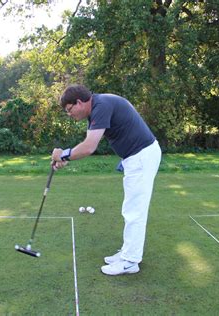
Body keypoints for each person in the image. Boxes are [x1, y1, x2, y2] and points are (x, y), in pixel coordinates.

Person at [51, 84, 161, 276]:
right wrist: (65, 158)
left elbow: (89, 147)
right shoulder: (97, 108)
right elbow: (86, 144)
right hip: (136, 157)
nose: (69, 114)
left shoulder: (100, 106)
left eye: (70, 110)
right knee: (131, 209)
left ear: (79, 102)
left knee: (134, 211)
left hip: (142, 156)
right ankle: (128, 253)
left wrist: (63, 155)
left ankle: (130, 261)